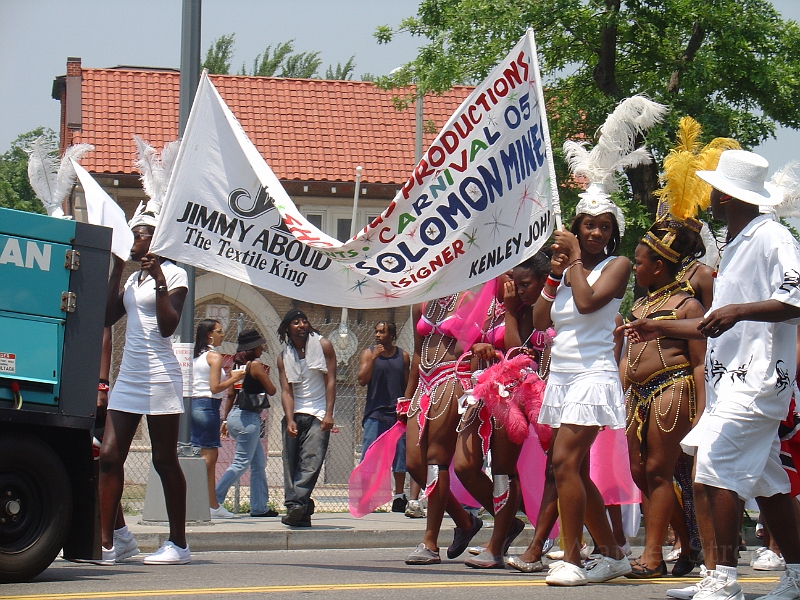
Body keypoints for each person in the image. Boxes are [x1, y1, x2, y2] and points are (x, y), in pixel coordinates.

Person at [623, 149, 800, 600]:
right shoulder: (737, 241)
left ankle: (723, 580)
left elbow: (796, 296)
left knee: (712, 473)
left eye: (714, 189)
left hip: (756, 380)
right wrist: (655, 324)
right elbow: (713, 321)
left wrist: (740, 311)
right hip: (732, 383)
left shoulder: (772, 236)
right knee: (769, 485)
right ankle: (796, 576)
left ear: (724, 195)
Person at [532, 184, 633, 586]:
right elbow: (541, 321)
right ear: (577, 226)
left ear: (612, 233)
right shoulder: (567, 270)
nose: (596, 233)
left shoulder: (618, 265)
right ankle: (611, 554)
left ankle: (572, 557)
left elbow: (590, 302)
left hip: (594, 374)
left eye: (604, 227)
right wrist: (554, 274)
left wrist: (573, 257)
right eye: (588, 225)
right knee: (571, 468)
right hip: (563, 376)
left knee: (563, 463)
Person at [100, 209, 190, 565]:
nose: (134, 241)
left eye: (140, 235)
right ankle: (109, 544)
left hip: (161, 375)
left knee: (164, 459)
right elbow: (107, 317)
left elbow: (169, 326)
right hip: (130, 376)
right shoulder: (133, 281)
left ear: (156, 239)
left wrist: (159, 279)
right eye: (133, 235)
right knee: (108, 456)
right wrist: (118, 268)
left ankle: (179, 544)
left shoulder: (174, 273)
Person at [620, 222, 706, 578]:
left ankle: (653, 556)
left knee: (659, 471)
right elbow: (628, 355)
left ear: (658, 266)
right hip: (635, 396)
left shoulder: (688, 305)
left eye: (640, 263)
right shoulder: (641, 304)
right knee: (640, 473)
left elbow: (700, 362)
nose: (635, 268)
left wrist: (702, 411)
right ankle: (689, 544)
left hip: (672, 388)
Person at [402, 292, 495, 565]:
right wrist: (406, 397)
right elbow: (418, 352)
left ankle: (430, 542)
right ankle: (467, 522)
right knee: (413, 463)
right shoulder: (420, 301)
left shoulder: (470, 298)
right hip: (424, 383)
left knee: (435, 461)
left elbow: (478, 344)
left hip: (453, 376)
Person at [276, 309, 337, 527]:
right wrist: (289, 419)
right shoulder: (284, 357)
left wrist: (329, 413)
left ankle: (294, 504)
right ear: (287, 329)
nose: (302, 325)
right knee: (291, 464)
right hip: (295, 414)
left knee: (311, 460)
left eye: (304, 321)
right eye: (296, 322)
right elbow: (286, 391)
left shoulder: (323, 345)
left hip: (318, 413)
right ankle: (302, 512)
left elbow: (330, 380)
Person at [212, 328, 278, 517]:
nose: (262, 349)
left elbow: (231, 395)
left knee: (258, 463)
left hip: (234, 415)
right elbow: (272, 390)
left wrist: (224, 420)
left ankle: (259, 507)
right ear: (252, 348)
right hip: (248, 418)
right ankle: (214, 500)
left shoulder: (236, 367)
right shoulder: (255, 366)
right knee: (241, 463)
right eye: (259, 345)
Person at [357, 321, 415, 512]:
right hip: (375, 413)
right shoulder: (368, 353)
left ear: (391, 335)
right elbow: (362, 380)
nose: (378, 335)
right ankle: (367, 496)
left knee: (400, 457)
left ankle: (399, 497)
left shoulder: (403, 356)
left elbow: (407, 384)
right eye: (376, 331)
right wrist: (373, 358)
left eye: (382, 332)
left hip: (396, 416)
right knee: (370, 456)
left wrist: (406, 407)